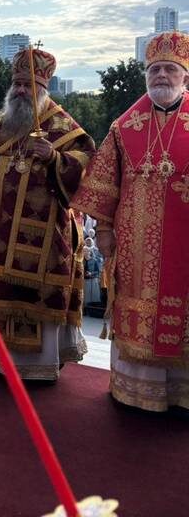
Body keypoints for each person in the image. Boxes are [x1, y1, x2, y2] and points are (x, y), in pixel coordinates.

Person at [71, 30, 189, 411]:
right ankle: (135, 394)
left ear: (185, 76)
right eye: (155, 70)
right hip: (134, 251)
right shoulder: (126, 126)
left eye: (170, 70)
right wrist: (103, 230)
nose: (162, 77)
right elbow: (103, 184)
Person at [0, 47, 95, 381]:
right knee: (0, 291)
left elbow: (87, 170)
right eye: (18, 84)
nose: (22, 90)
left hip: (48, 237)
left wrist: (54, 158)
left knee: (40, 296)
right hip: (0, 234)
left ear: (44, 87)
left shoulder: (66, 129)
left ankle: (41, 366)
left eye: (30, 85)